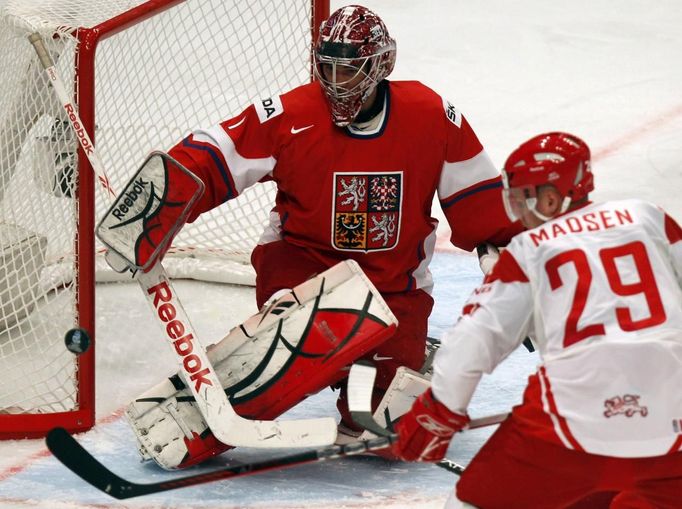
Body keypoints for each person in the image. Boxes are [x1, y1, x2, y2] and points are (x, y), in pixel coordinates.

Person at [126, 4, 520, 468]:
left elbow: (480, 199)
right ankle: (206, 411)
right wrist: (153, 205)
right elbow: (215, 153)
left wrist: (511, 268)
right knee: (310, 335)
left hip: (393, 286)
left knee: (385, 434)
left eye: (349, 70)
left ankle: (398, 359)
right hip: (303, 267)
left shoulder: (431, 116)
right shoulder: (292, 113)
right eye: (327, 66)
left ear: (382, 66)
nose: (336, 82)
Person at [391, 131, 682, 509]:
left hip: (569, 421)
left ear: (550, 198)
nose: (517, 214)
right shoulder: (649, 217)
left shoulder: (529, 251)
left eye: (521, 198)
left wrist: (440, 412)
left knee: (468, 503)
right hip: (671, 416)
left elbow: (471, 342)